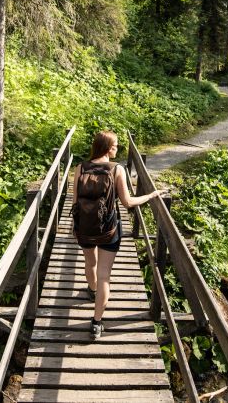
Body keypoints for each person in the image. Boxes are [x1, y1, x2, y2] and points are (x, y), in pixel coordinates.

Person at [73, 131, 164, 340]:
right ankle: (96, 322)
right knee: (105, 274)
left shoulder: (80, 168)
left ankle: (92, 290)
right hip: (108, 229)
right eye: (115, 146)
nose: (117, 149)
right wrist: (151, 195)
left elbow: (75, 203)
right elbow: (127, 203)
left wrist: (75, 227)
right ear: (107, 148)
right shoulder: (117, 170)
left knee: (90, 263)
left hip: (85, 228)